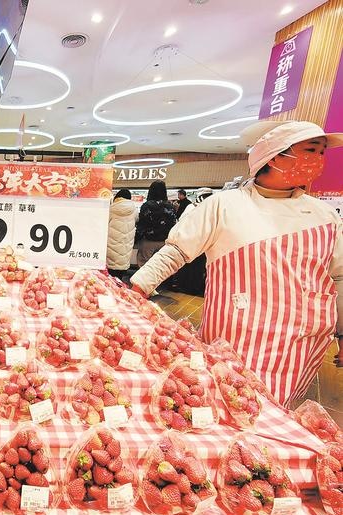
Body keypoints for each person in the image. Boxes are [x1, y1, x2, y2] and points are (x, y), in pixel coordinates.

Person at [130, 121, 343, 408]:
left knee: (274, 412)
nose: (317, 160)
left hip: (301, 341)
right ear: (275, 156)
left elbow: (338, 276)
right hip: (235, 335)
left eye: (321, 153)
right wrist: (137, 289)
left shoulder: (324, 215)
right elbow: (177, 251)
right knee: (221, 403)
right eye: (310, 150)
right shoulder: (224, 205)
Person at [135, 180, 177, 268]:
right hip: (164, 242)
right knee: (161, 267)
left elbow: (142, 224)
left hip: (148, 241)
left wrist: (137, 238)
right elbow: (173, 224)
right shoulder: (170, 206)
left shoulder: (146, 206)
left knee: (144, 266)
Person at [107, 188, 137, 280]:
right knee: (120, 275)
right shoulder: (134, 210)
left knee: (110, 277)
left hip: (111, 245)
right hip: (126, 244)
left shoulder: (111, 209)